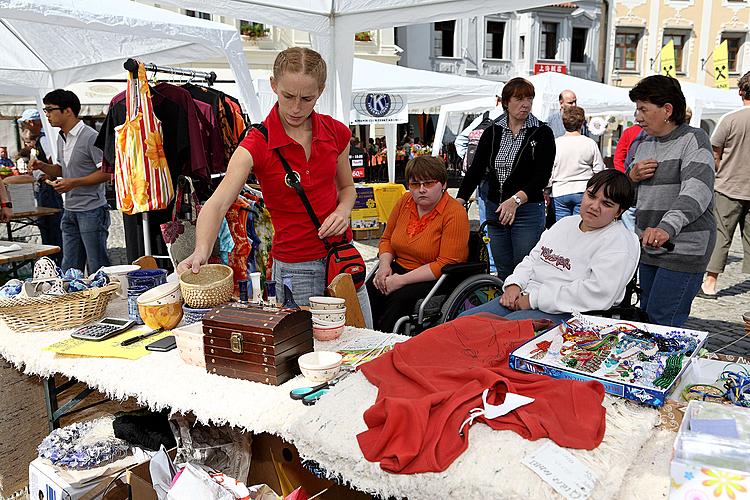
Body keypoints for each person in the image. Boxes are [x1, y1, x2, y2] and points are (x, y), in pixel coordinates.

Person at [177, 47, 371, 323]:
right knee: (306, 355)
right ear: (273, 85)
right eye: (288, 96)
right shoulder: (256, 143)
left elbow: (347, 189)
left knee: (363, 342)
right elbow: (218, 203)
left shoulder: (335, 131)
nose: (296, 107)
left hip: (341, 258)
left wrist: (342, 212)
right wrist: (201, 251)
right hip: (296, 268)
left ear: (321, 91)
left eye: (307, 98)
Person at [460, 170, 639, 323]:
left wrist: (534, 300)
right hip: (525, 297)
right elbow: (533, 259)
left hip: (567, 314)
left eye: (606, 204)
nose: (594, 206)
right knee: (464, 321)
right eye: (591, 196)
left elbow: (597, 293)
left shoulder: (619, 242)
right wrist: (514, 284)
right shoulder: (566, 223)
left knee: (494, 335)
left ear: (619, 211)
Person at [627, 75, 716, 327]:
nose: (637, 117)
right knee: (647, 319)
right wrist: (631, 178)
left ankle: (670, 367)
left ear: (667, 110)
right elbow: (630, 197)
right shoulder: (643, 144)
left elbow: (697, 192)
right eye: (637, 109)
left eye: (643, 109)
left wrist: (666, 228)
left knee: (662, 323)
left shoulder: (694, 139)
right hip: (650, 247)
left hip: (683, 248)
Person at [456, 77, 555, 280]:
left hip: (526, 211)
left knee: (524, 270)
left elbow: (542, 176)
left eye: (529, 98)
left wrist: (516, 199)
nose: (525, 104)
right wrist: (460, 200)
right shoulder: (492, 131)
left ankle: (522, 310)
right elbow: (476, 170)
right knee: (502, 269)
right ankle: (502, 310)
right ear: (506, 102)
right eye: (519, 98)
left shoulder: (542, 132)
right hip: (496, 209)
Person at [367, 156, 469, 332]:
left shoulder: (454, 213)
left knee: (397, 301)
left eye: (428, 183)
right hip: (398, 267)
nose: (421, 190)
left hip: (434, 278)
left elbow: (445, 262)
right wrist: (384, 266)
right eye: (415, 184)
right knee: (367, 293)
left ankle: (386, 346)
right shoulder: (405, 201)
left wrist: (400, 281)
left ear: (443, 184)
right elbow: (386, 240)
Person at [28, 90, 110, 273]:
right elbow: (61, 170)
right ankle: (75, 301)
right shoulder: (61, 137)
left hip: (92, 210)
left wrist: (73, 182)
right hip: (70, 210)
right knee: (70, 268)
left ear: (68, 111)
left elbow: (107, 173)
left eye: (50, 110)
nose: (47, 115)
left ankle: (106, 301)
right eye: (45, 110)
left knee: (98, 267)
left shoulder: (90, 136)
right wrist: (42, 166)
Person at [699, 72, 750, 298]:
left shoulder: (731, 119)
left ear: (740, 92)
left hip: (728, 186)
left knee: (721, 235)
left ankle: (710, 283)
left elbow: (715, 153)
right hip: (738, 186)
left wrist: (718, 173)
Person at [453, 85, 503, 274]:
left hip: (482, 178)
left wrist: (470, 161)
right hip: (501, 178)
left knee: (487, 222)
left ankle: (491, 266)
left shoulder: (485, 117)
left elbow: (460, 140)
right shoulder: (512, 119)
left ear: (496, 99)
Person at [18, 108, 65, 263]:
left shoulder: (44, 139)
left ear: (31, 122)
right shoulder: (40, 139)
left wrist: (46, 176)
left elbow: (53, 162)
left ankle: (55, 259)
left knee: (52, 225)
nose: (25, 127)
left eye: (25, 124)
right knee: (46, 224)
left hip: (48, 187)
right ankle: (51, 259)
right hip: (44, 186)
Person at [550, 106, 605, 222]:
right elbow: (599, 170)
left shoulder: (555, 144)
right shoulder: (590, 143)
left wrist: (547, 189)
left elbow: (549, 170)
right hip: (582, 189)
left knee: (562, 227)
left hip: (560, 190)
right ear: (582, 123)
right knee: (579, 226)